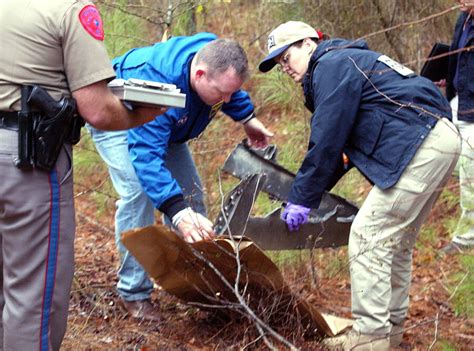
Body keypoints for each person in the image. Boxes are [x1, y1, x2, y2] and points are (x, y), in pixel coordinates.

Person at [258, 21, 461, 350]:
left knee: (369, 235)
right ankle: (390, 331)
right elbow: (340, 152)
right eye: (279, 64)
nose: (285, 67)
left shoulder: (331, 65)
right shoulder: (346, 61)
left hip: (423, 144)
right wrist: (309, 194)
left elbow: (325, 140)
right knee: (396, 243)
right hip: (439, 138)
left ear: (309, 43)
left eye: (287, 56)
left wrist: (301, 197)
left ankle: (370, 337)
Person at [0, 1, 167, 350]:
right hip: (27, 161)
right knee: (33, 300)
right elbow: (97, 109)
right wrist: (145, 114)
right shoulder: (71, 10)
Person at [87, 33, 273, 321]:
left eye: (230, 94)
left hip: (168, 127)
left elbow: (229, 90)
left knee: (191, 197)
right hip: (119, 116)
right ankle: (134, 293)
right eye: (221, 94)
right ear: (199, 75)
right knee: (139, 192)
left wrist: (247, 118)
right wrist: (177, 212)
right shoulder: (159, 81)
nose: (225, 100)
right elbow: (146, 157)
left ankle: (196, 286)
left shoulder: (216, 55)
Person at [440, 0, 474, 254]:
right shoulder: (463, 19)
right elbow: (456, 56)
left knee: (469, 174)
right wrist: (447, 78)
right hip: (457, 102)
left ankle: (467, 237)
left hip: (472, 112)